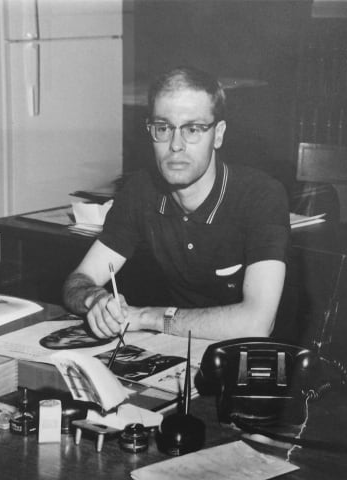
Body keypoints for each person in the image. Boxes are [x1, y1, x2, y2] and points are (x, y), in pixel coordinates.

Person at [62, 66, 290, 340]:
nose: (175, 145)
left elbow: (257, 324)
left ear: (218, 134)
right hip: (178, 350)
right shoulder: (140, 191)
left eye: (193, 129)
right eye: (163, 128)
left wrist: (147, 317)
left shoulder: (261, 196)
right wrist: (94, 300)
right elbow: (78, 280)